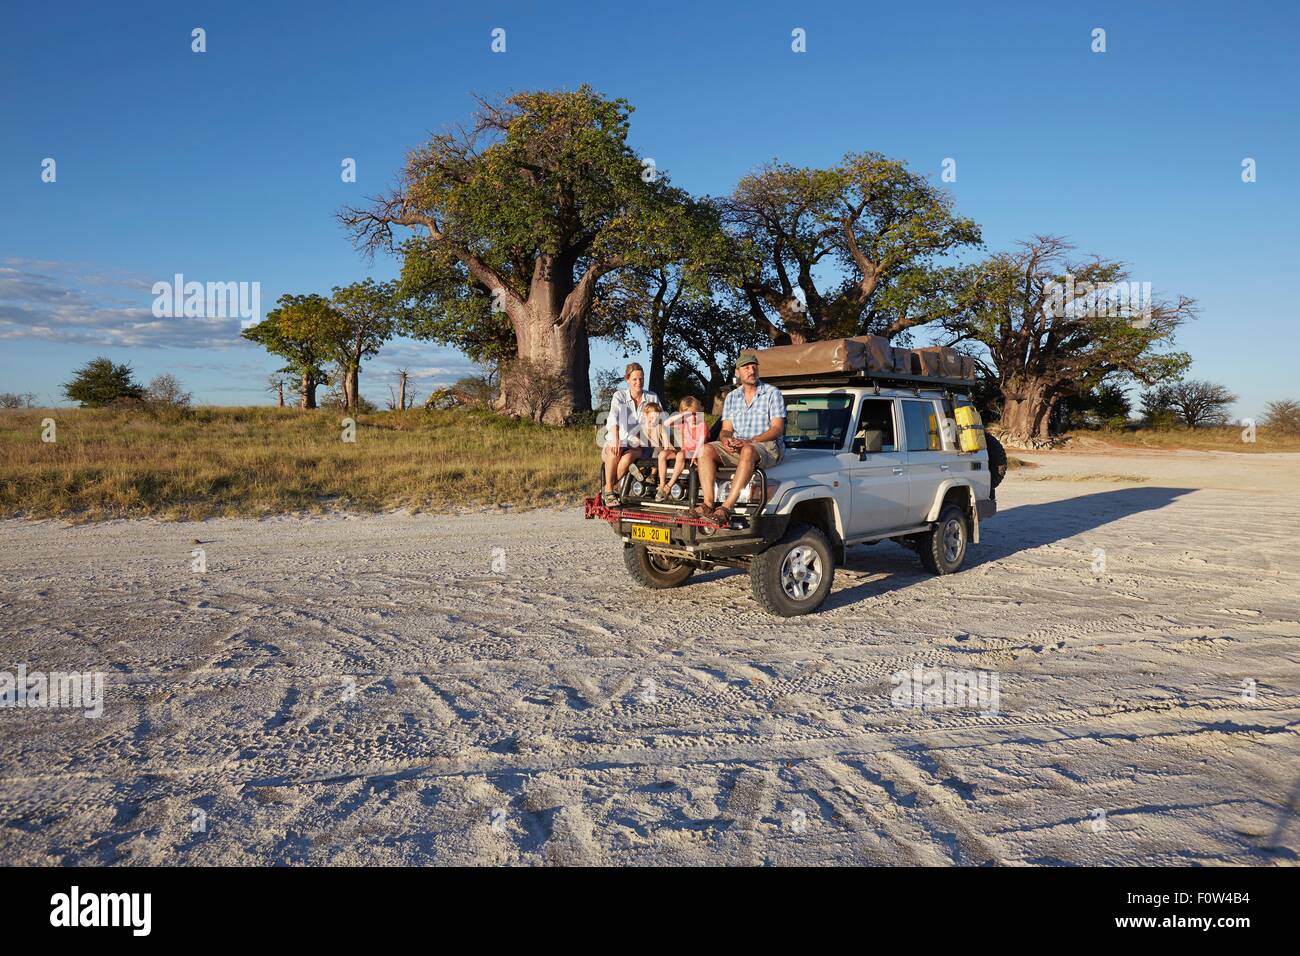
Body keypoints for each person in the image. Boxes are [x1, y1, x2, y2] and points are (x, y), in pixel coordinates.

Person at [691, 352, 785, 523]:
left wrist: (751, 441)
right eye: (746, 367)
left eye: (754, 366)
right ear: (738, 373)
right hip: (739, 445)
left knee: (748, 450)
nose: (751, 370)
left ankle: (726, 508)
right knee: (705, 449)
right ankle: (707, 503)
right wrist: (726, 439)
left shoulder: (772, 393)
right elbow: (726, 429)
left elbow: (778, 428)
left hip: (766, 447)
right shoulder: (732, 397)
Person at [601, 363, 660, 506]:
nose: (638, 382)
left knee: (627, 457)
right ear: (627, 379)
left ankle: (608, 489)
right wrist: (615, 437)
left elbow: (658, 420)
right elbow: (613, 418)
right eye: (634, 379)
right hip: (618, 441)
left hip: (638, 443)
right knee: (615, 450)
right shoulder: (619, 396)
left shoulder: (651, 397)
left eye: (641, 379)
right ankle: (610, 490)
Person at [655, 395, 706, 501]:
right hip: (684, 451)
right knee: (662, 454)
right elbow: (666, 423)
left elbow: (701, 442)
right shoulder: (683, 424)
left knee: (680, 454)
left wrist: (696, 454)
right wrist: (682, 415)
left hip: (695, 452)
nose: (693, 417)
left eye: (695, 414)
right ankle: (662, 484)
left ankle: (669, 485)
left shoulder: (702, 425)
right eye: (690, 415)